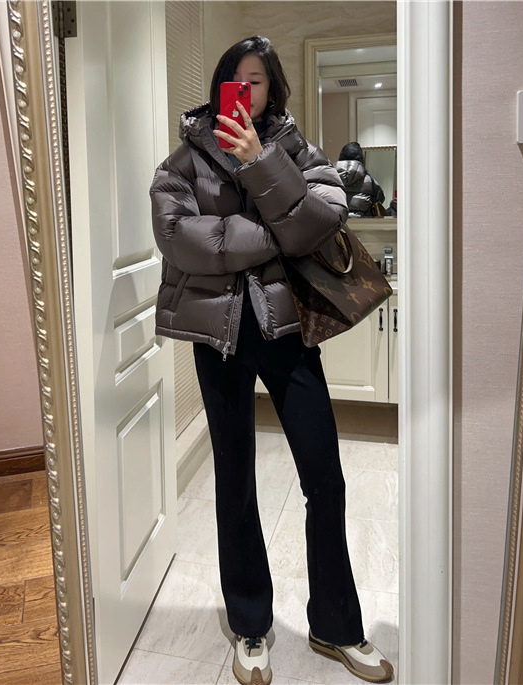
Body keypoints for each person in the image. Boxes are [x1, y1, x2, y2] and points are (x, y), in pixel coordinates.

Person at [150, 36, 393, 685]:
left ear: (272, 88)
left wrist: (261, 162)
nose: (246, 92)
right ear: (220, 86)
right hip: (218, 336)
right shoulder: (184, 159)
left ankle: (336, 624)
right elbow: (178, 237)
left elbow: (321, 219)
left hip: (287, 331)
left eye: (256, 81)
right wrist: (275, 237)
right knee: (235, 480)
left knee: (324, 477)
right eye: (237, 79)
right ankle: (250, 623)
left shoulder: (294, 150)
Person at [335, 142, 386, 217]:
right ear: (361, 159)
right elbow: (381, 199)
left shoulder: (329, 178)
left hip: (336, 222)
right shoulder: (370, 182)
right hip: (362, 223)